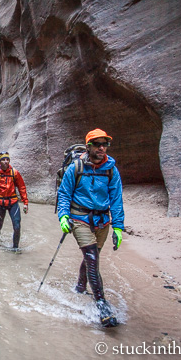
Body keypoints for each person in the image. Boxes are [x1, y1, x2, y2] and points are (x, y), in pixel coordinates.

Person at [57, 129, 124, 327]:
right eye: (97, 144)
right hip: (79, 218)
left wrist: (118, 227)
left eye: (105, 144)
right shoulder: (75, 168)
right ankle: (101, 304)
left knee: (91, 258)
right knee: (92, 258)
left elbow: (117, 199)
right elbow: (64, 194)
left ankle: (79, 287)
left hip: (102, 221)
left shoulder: (111, 169)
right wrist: (63, 216)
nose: (102, 148)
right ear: (89, 147)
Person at [0, 151, 29, 252]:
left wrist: (25, 203)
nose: (6, 161)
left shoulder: (14, 173)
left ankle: (15, 248)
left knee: (17, 226)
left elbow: (22, 187)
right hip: (0, 204)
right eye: (3, 160)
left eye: (7, 159)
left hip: (13, 203)